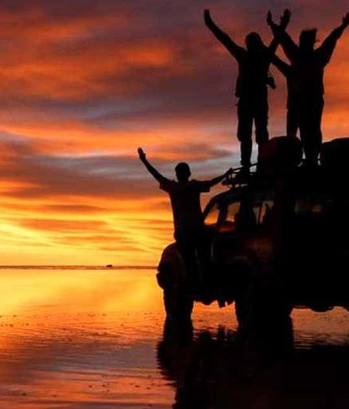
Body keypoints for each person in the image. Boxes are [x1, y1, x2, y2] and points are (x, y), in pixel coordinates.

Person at [204, 9, 290, 168]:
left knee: (258, 135)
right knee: (250, 135)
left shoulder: (251, 56)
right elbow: (226, 40)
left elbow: (275, 40)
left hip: (254, 102)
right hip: (251, 102)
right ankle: (249, 165)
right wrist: (210, 24)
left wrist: (284, 24)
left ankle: (257, 165)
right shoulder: (253, 56)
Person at [267, 10, 349, 166]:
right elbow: (285, 40)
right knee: (302, 132)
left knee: (308, 131)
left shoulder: (310, 56)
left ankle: (310, 159)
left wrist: (343, 26)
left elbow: (330, 40)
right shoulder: (308, 56)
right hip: (302, 101)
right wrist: (274, 26)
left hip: (310, 101)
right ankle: (304, 159)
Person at [138, 148, 230, 281]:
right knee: (197, 259)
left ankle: (198, 282)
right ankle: (200, 282)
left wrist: (144, 161)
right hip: (191, 232)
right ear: (188, 173)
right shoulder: (190, 186)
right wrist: (225, 175)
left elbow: (156, 175)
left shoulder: (177, 187)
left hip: (189, 232)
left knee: (193, 260)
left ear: (178, 174)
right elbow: (212, 182)